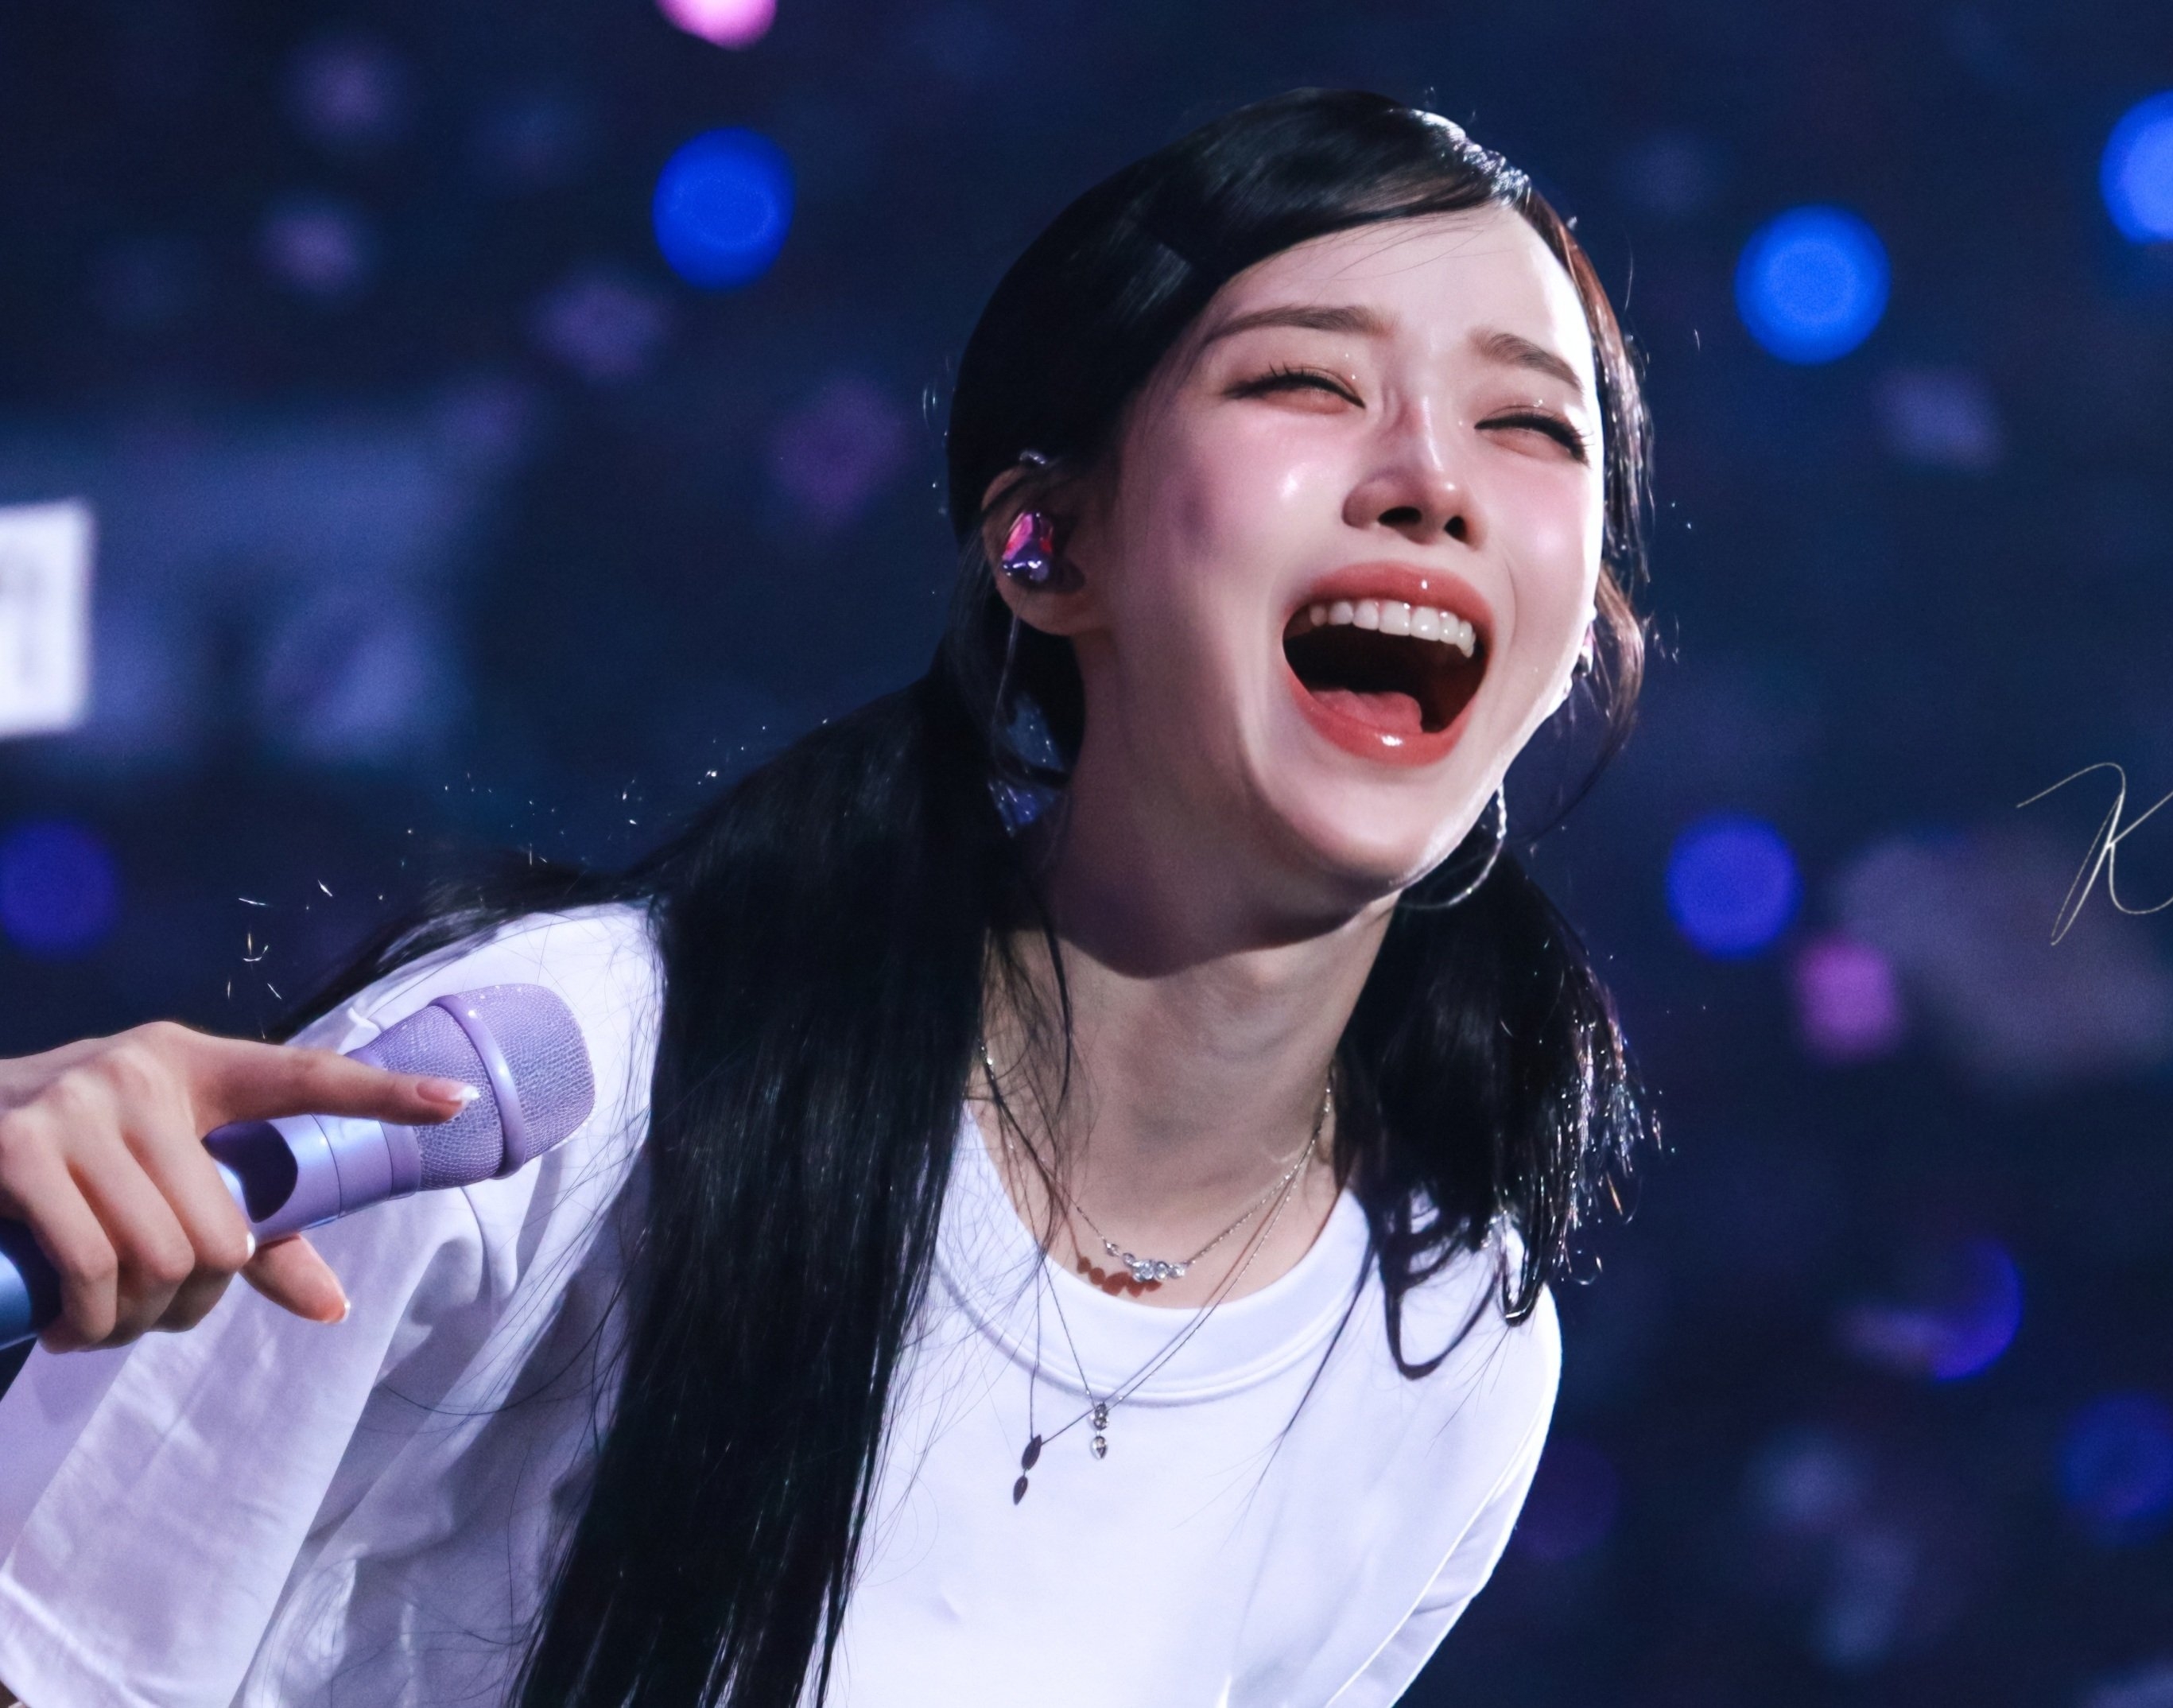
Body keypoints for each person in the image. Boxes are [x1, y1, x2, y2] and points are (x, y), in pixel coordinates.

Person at [0, 87, 1652, 1706]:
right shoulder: (560, 1078)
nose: (1430, 477)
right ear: (1046, 546)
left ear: (1577, 624)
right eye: (1305, 382)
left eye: (1530, 426)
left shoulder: (1442, 1350)